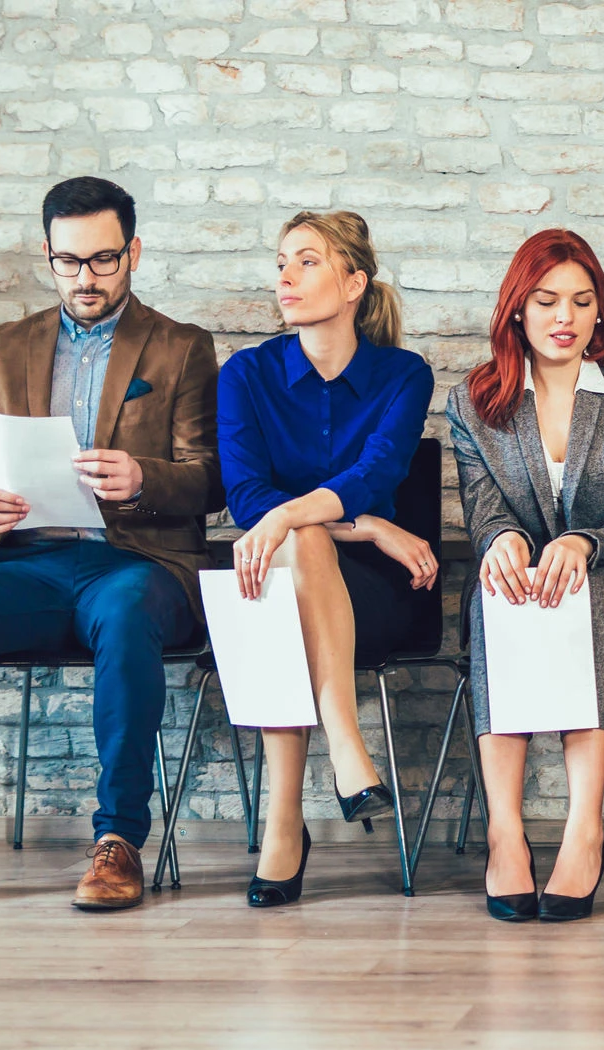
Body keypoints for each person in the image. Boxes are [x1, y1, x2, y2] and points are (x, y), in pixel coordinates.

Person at [0, 177, 222, 913]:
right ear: (47, 254)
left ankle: (119, 840)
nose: (86, 278)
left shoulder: (182, 347)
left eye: (103, 260)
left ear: (133, 252)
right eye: (69, 262)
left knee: (127, 614)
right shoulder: (5, 347)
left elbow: (213, 480)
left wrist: (141, 477)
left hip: (140, 564)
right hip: (29, 563)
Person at [448, 230, 604, 923]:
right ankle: (505, 833)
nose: (565, 317)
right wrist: (498, 544)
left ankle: (585, 829)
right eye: (547, 300)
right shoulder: (473, 402)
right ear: (517, 310)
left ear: (600, 312)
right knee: (497, 597)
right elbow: (484, 511)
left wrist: (582, 543)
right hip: (523, 592)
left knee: (588, 592)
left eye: (582, 302)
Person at [217, 210, 436, 907]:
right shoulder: (245, 376)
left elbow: (373, 474)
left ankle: (285, 823)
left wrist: (296, 515)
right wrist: (365, 524)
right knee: (298, 545)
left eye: (307, 260)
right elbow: (248, 496)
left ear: (353, 283)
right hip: (275, 573)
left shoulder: (404, 376)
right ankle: (344, 744)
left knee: (299, 540)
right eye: (281, 259)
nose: (285, 274)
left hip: (375, 595)